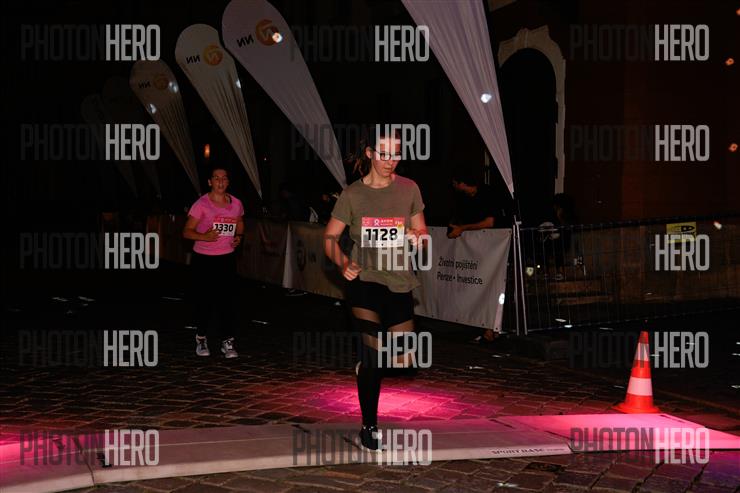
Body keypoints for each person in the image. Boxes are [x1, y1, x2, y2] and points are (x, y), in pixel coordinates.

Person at [323, 128, 428, 452]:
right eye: (383, 154)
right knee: (374, 354)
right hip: (364, 282)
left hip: (399, 281)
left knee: (406, 359)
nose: (390, 161)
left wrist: (418, 238)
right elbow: (329, 238)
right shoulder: (353, 194)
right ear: (369, 153)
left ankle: (367, 368)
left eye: (396, 154)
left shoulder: (409, 188)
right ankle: (369, 427)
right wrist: (343, 262)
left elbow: (422, 232)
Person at [182, 166, 244, 359]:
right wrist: (205, 236)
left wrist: (239, 237)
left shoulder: (236, 203)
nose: (220, 182)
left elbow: (240, 222)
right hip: (204, 259)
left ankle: (227, 340)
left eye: (224, 178)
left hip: (227, 258)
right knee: (204, 300)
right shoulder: (201, 204)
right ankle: (201, 338)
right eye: (216, 178)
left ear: (228, 181)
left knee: (228, 301)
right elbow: (186, 232)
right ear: (210, 182)